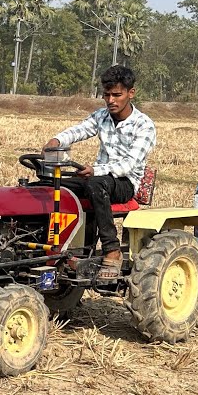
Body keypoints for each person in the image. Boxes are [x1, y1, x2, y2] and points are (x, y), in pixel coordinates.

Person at [43, 65, 157, 280]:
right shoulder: (101, 116)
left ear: (131, 93)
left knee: (95, 184)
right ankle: (61, 249)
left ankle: (112, 250)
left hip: (124, 183)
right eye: (107, 95)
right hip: (98, 178)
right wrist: (57, 140)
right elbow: (80, 130)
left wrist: (96, 170)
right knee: (52, 184)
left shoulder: (144, 126)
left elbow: (128, 164)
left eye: (117, 95)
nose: (111, 100)